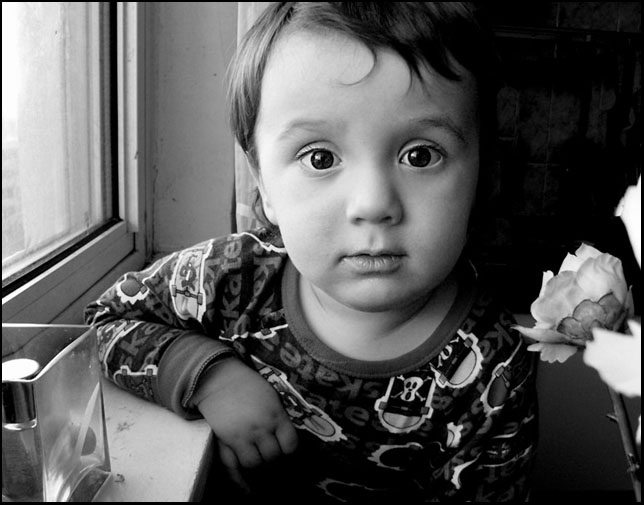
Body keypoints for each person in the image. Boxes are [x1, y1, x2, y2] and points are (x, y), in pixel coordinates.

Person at [85, 3, 538, 502]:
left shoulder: (494, 363)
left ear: (482, 173)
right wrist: (211, 378)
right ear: (264, 184)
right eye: (320, 158)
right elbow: (104, 322)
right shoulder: (231, 276)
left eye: (420, 155)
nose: (373, 204)